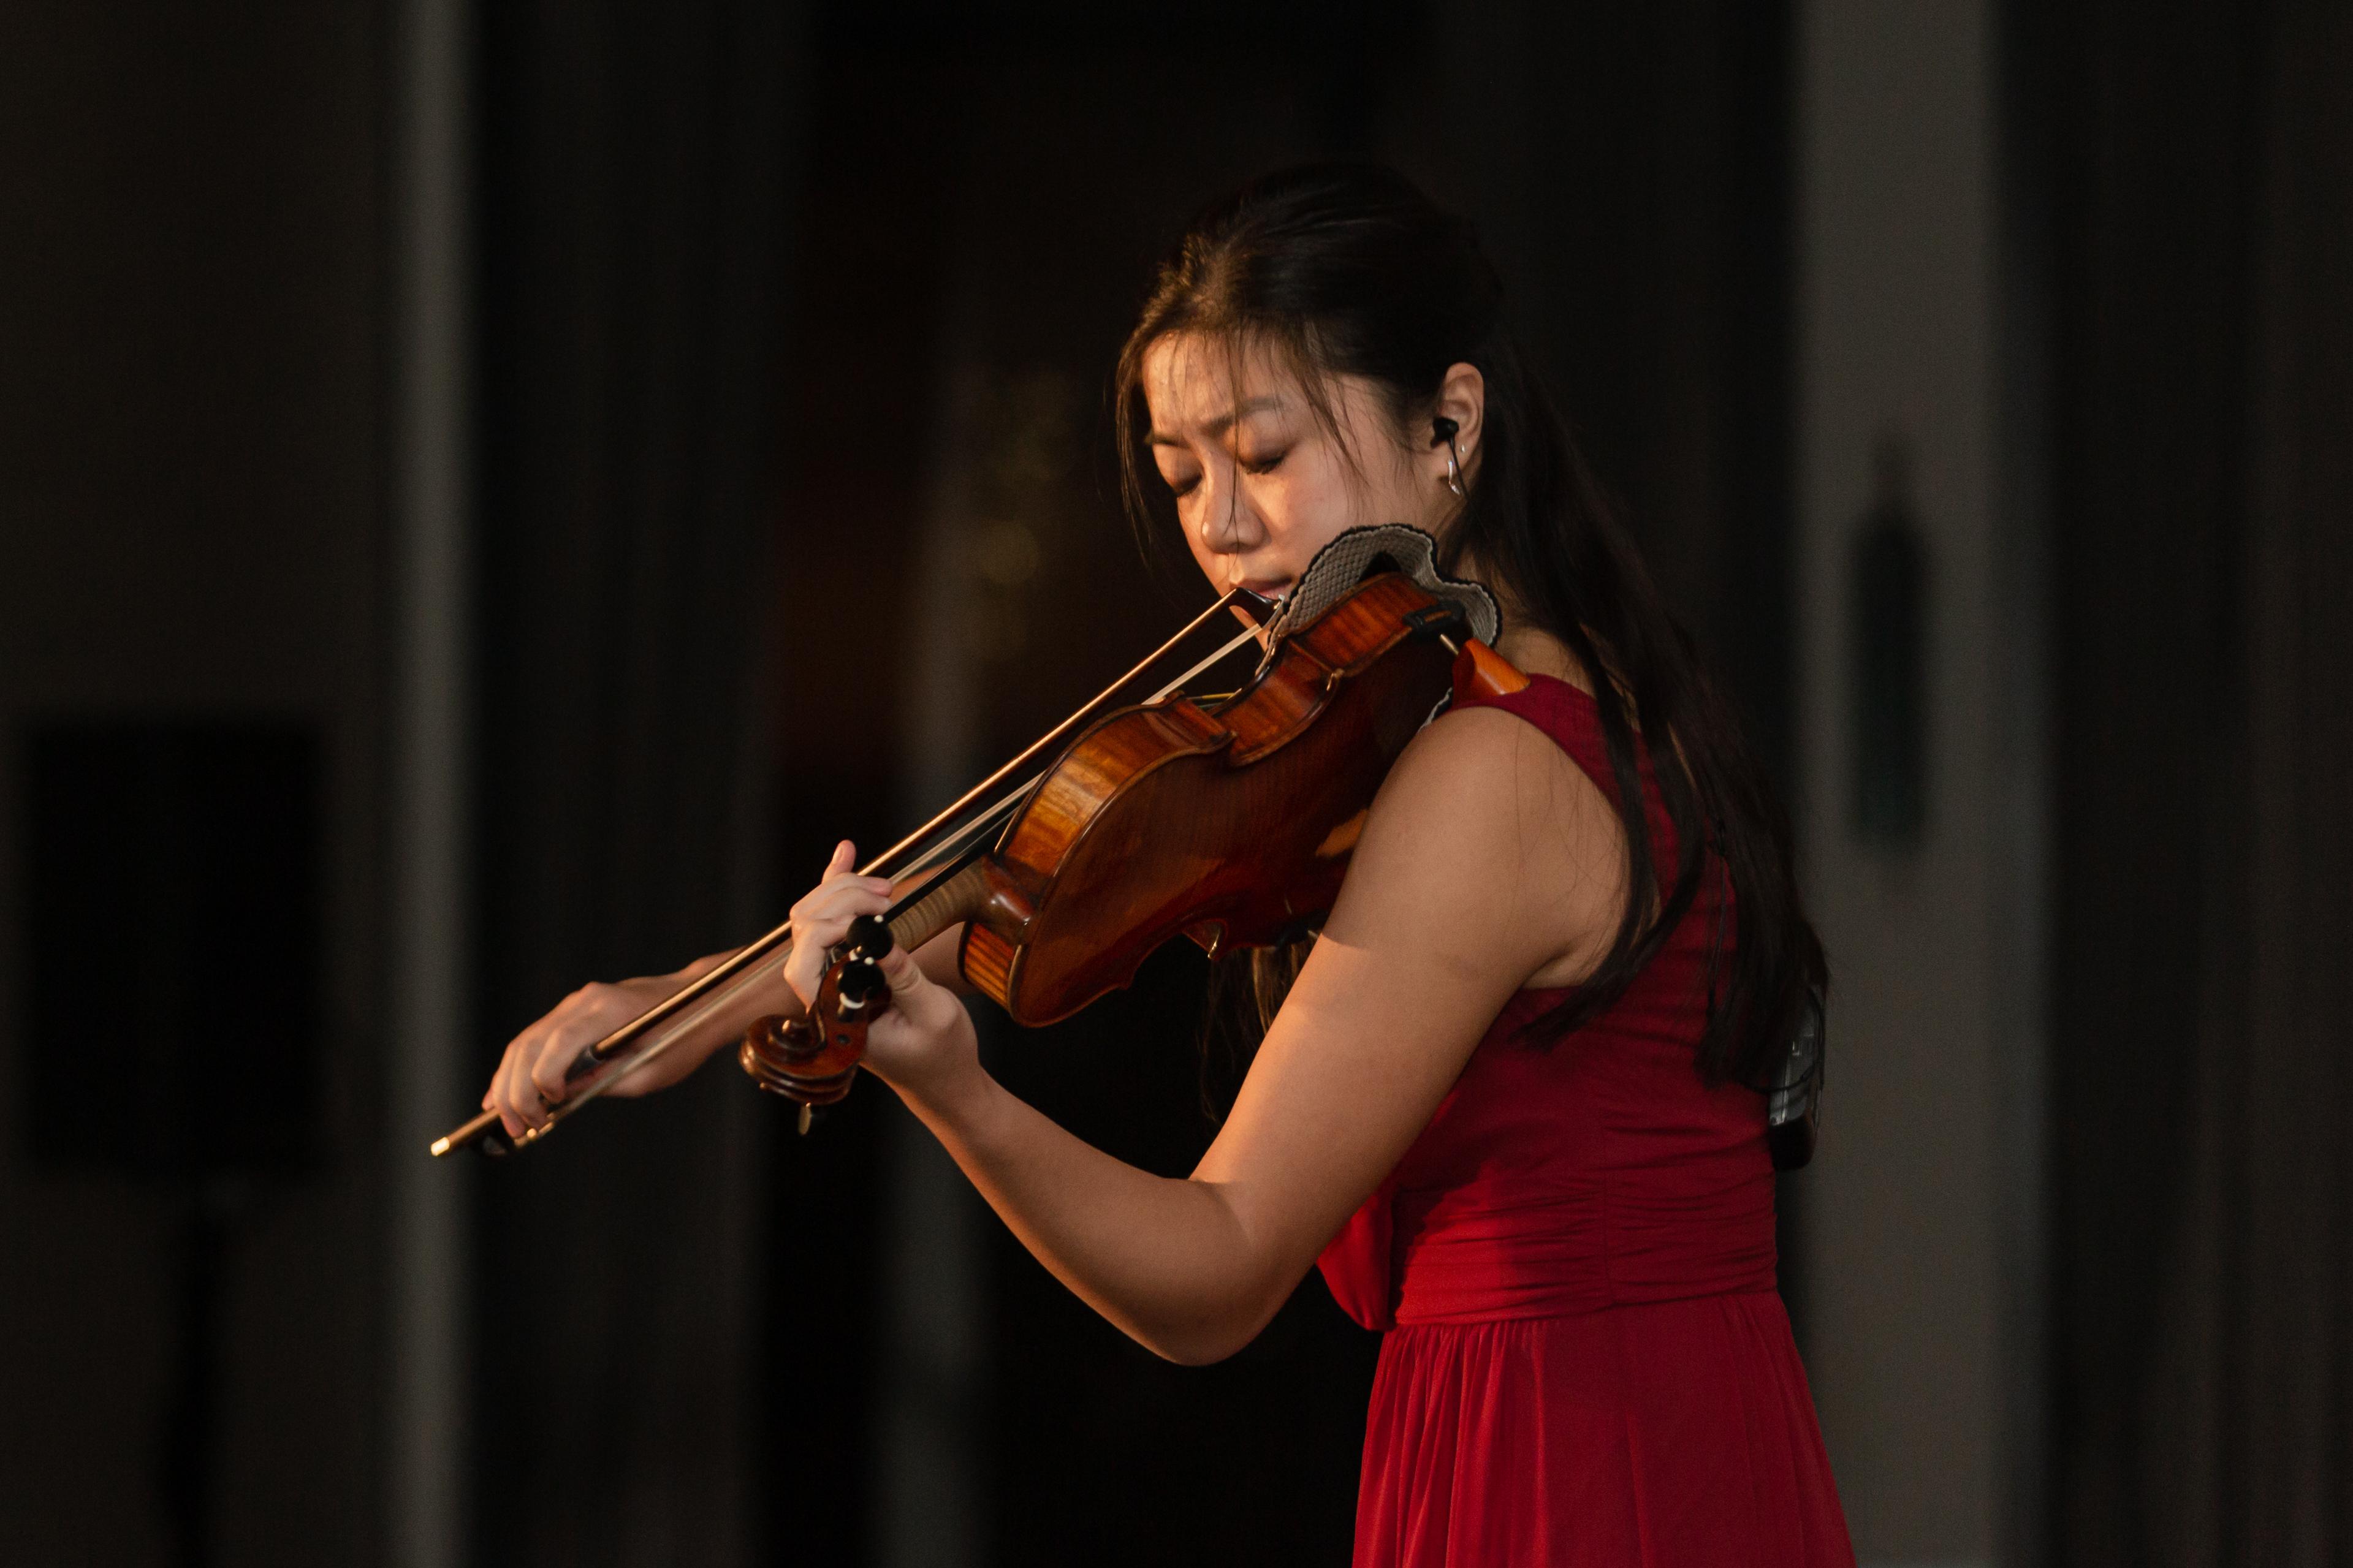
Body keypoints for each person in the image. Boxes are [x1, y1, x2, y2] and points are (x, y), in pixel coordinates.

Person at [482, 164, 1854, 1567]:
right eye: (1182, 472)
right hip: (1675, 1433)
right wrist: (688, 1000)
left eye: (1262, 456)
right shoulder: (1578, 706)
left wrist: (954, 1089)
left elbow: (1221, 1265)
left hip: (1570, 1469)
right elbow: (1018, 896)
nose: (1220, 525)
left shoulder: (1490, 772)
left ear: (1451, 423)